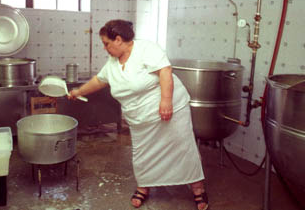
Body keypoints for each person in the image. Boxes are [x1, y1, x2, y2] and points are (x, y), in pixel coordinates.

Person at [68, 19, 209, 210]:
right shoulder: (113, 62)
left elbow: (165, 71)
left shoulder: (146, 49)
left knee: (182, 147)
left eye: (106, 43)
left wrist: (166, 101)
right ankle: (144, 187)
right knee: (143, 152)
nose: (104, 48)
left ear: (118, 39)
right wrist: (79, 92)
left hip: (169, 109)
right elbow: (100, 80)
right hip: (140, 117)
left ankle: (197, 188)